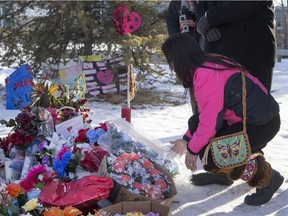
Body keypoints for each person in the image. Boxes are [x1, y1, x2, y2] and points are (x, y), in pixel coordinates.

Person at [161, 33, 284, 206]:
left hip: (261, 124)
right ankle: (225, 173)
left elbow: (210, 125)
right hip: (248, 120)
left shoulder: (206, 73)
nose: (171, 67)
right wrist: (186, 140)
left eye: (170, 61)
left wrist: (192, 150)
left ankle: (268, 178)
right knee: (196, 125)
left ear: (180, 57)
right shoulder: (206, 64)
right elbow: (205, 116)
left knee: (215, 154)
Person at [196, 1, 276, 92]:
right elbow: (202, 4)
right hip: (216, 56)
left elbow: (246, 3)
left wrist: (210, 18)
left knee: (255, 104)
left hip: (251, 55)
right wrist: (203, 24)